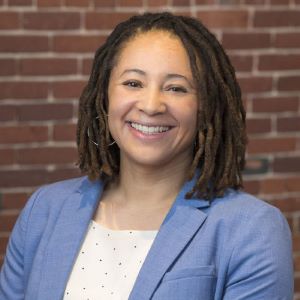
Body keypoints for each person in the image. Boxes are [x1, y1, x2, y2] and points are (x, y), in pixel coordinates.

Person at [0, 12, 293, 300]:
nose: (151, 105)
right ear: (104, 95)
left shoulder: (251, 229)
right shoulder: (43, 211)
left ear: (206, 106)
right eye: (133, 83)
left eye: (176, 88)